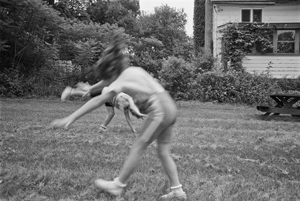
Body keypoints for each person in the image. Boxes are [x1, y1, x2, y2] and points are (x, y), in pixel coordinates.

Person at [51, 33, 187, 200]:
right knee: (163, 151)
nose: (105, 81)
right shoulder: (132, 71)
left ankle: (118, 185)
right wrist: (90, 89)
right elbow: (106, 83)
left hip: (160, 111)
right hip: (170, 107)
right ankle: (178, 191)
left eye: (106, 77)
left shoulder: (119, 82)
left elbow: (99, 99)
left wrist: (70, 118)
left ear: (112, 72)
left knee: (138, 145)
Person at [61, 82, 138, 133]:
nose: (131, 112)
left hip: (109, 100)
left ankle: (102, 127)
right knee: (87, 95)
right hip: (104, 92)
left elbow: (128, 119)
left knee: (111, 114)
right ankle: (70, 91)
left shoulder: (126, 108)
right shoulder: (127, 99)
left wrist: (133, 130)